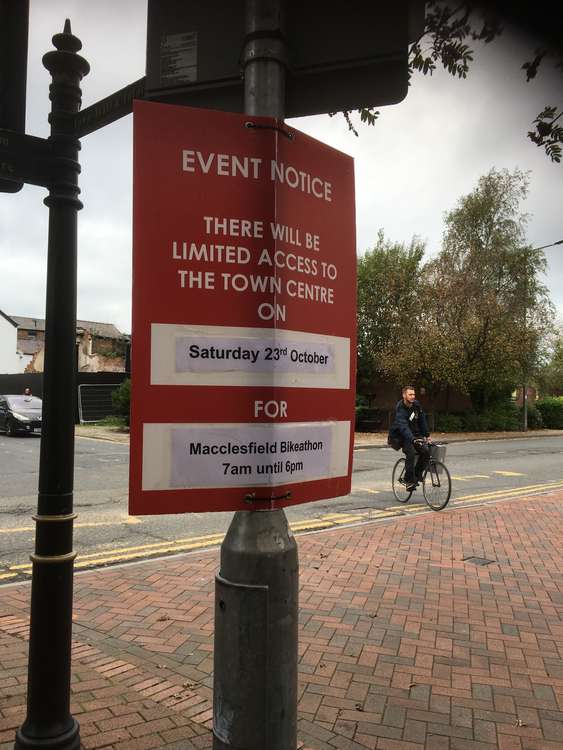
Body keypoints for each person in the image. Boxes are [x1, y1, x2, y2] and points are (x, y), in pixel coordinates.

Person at [388, 385, 431, 491]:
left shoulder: (416, 405)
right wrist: (412, 439)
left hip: (415, 434)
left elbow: (422, 420)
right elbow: (403, 427)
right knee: (410, 452)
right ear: (404, 395)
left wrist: (426, 435)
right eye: (410, 394)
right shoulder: (400, 408)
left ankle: (416, 475)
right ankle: (408, 480)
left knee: (426, 451)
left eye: (414, 394)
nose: (413, 396)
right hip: (402, 436)